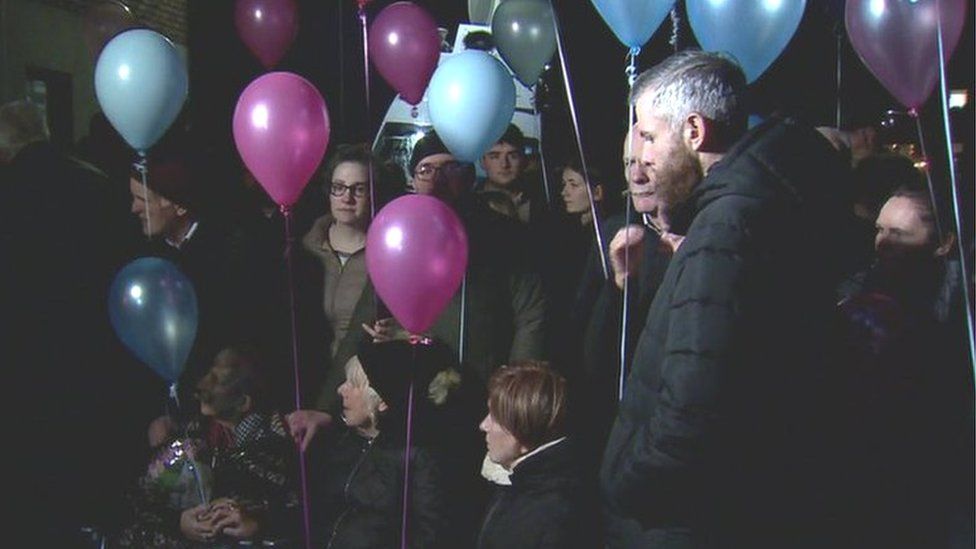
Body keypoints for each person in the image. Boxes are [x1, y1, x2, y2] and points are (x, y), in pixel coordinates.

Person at [599, 50, 856, 547]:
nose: (642, 158)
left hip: (684, 522)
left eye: (649, 136)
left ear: (694, 131)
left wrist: (622, 484)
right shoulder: (757, 205)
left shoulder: (728, 228)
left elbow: (690, 418)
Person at [118, 347, 299, 547]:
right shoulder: (190, 442)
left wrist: (258, 523)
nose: (202, 386)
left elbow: (298, 510)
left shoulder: (281, 444)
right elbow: (142, 499)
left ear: (243, 402)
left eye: (217, 380)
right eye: (208, 374)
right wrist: (178, 523)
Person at [314, 340, 459, 548]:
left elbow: (429, 536)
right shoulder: (345, 441)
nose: (340, 390)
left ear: (380, 399)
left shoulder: (417, 456)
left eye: (353, 384)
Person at [476, 362, 600, 549]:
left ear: (522, 427)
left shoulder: (551, 514)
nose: (483, 425)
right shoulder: (522, 484)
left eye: (494, 417)